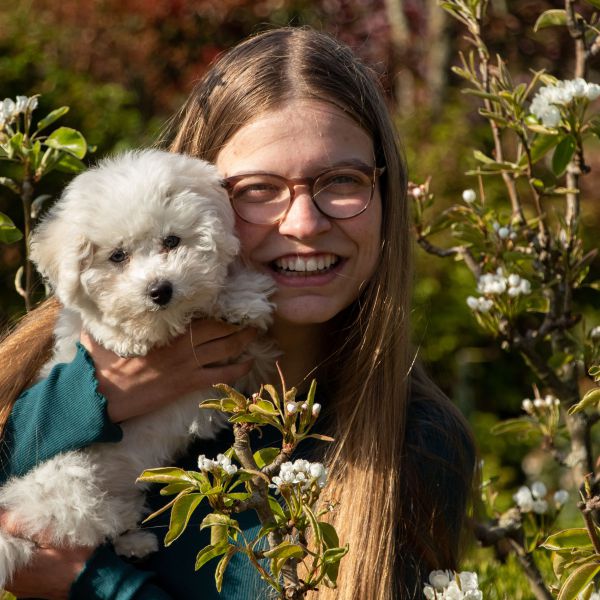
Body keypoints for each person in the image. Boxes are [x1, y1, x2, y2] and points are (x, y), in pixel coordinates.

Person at [0, 26, 475, 600]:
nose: (303, 223)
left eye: (343, 181)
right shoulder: (42, 376)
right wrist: (92, 398)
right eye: (257, 189)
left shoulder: (418, 445)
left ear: (386, 195)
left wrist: (96, 586)